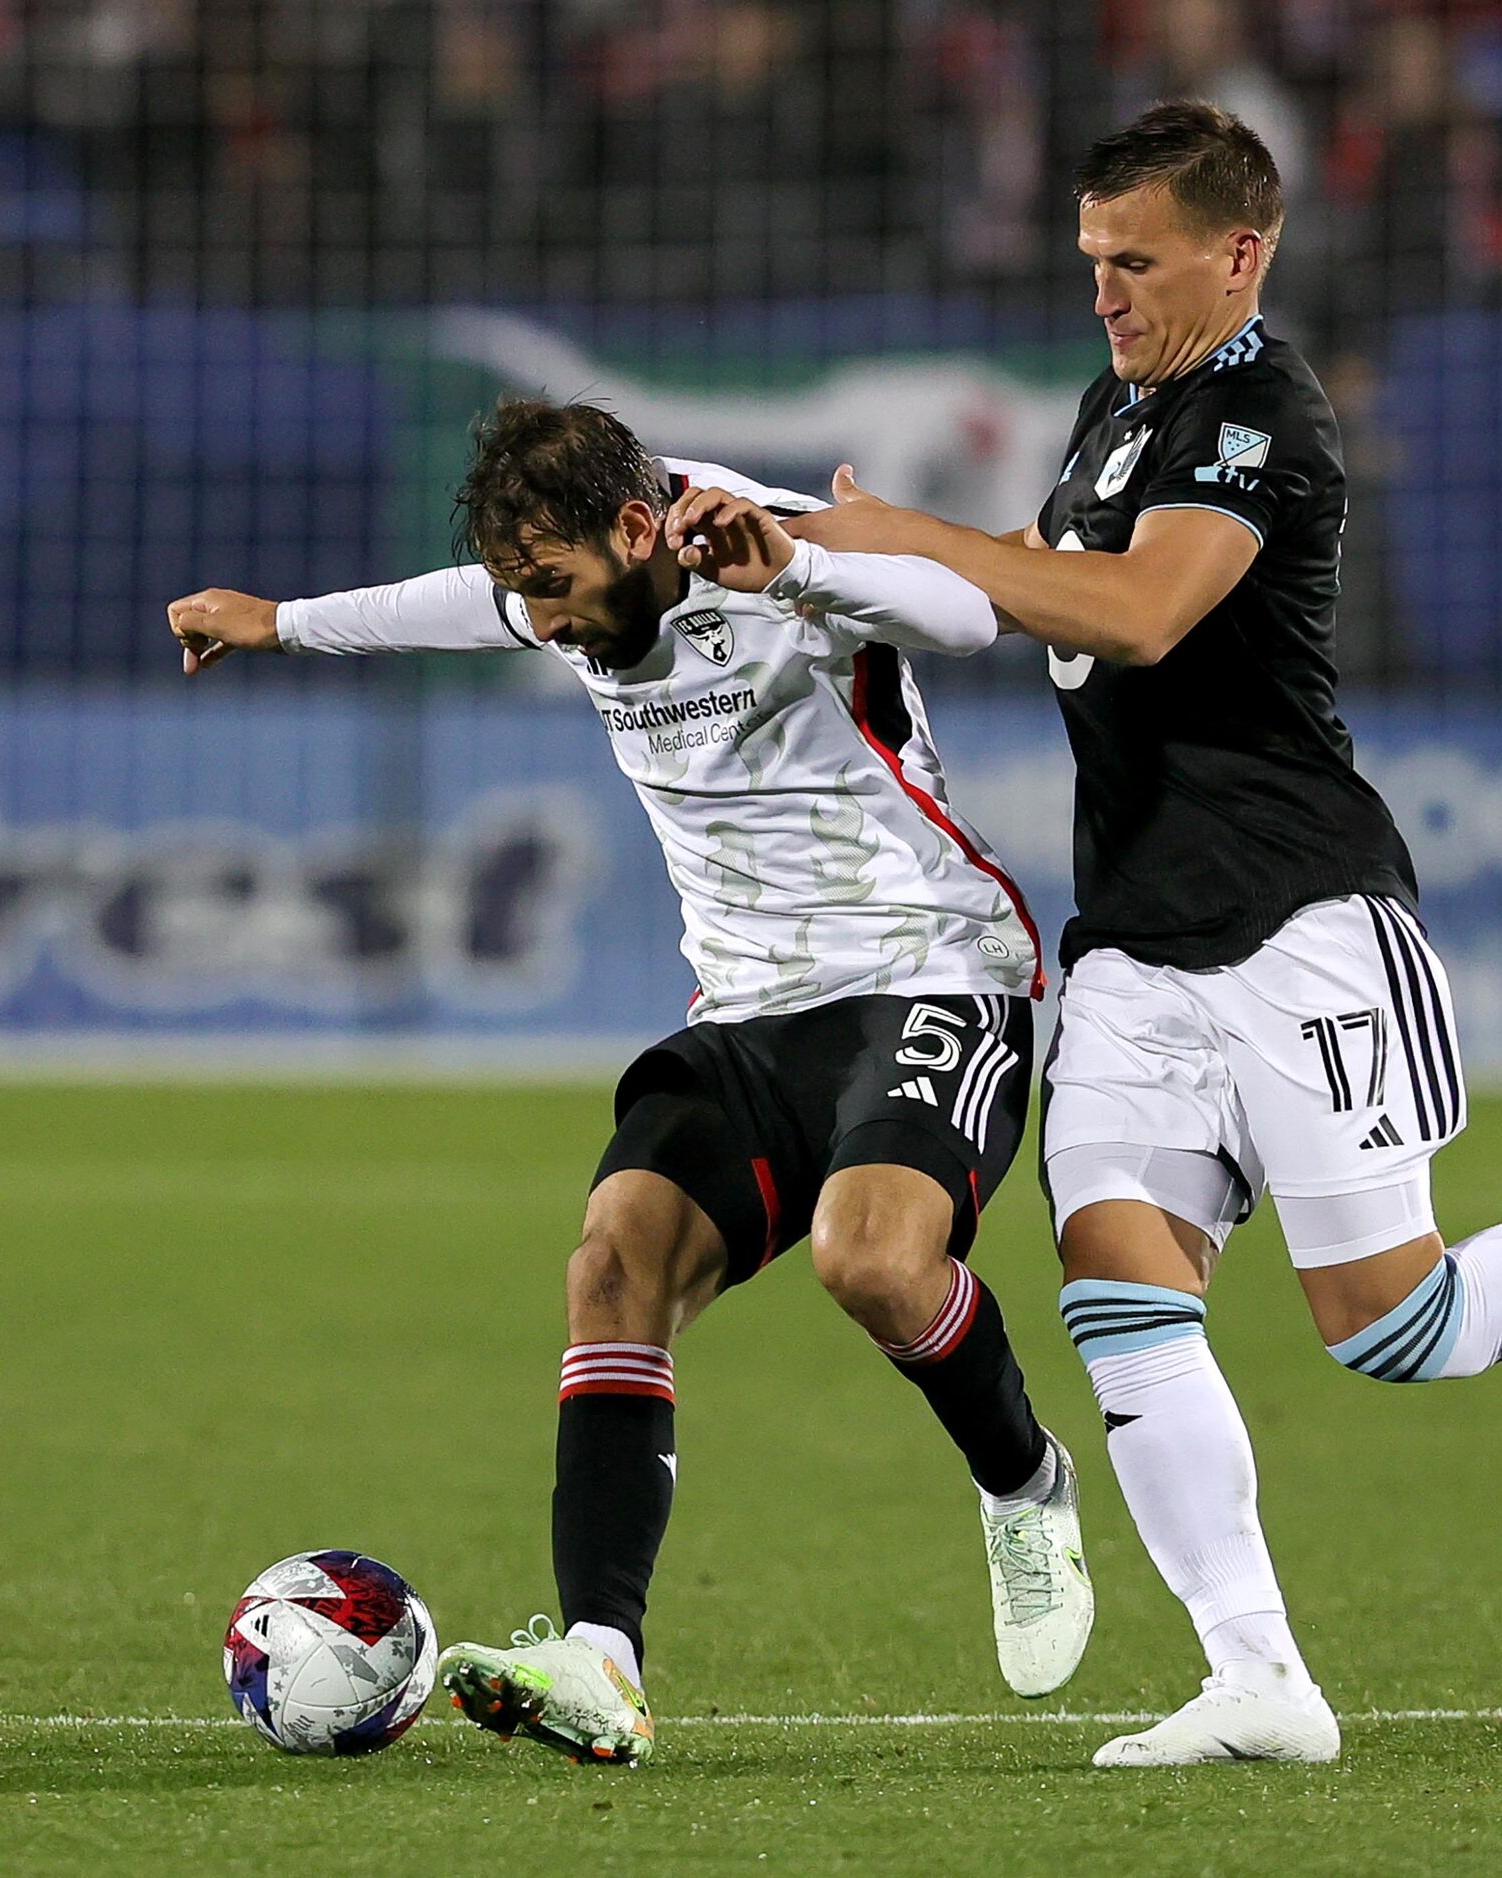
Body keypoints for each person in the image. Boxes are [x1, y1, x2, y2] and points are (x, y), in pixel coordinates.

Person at [793, 101, 1502, 1768]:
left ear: (1241, 249)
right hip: (1133, 935)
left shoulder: (1263, 412)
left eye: (1133, 261)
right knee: (1115, 1276)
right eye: (1088, 260)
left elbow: (1138, 611)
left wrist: (907, 536)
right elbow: (1022, 585)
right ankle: (1255, 1674)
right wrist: (814, 553)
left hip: (1297, 915)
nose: (1104, 293)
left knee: (1391, 1325)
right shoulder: (1111, 412)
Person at [166, 399, 1093, 1766]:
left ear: (637, 526)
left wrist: (797, 567)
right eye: (520, 590)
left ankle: (1022, 1478)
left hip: (928, 969)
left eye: (552, 586)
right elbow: (450, 606)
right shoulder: (574, 588)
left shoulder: (759, 548)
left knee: (873, 1262)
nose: (537, 622)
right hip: (747, 1014)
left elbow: (961, 615)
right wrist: (282, 621)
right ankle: (602, 1659)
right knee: (612, 1262)